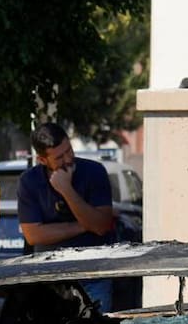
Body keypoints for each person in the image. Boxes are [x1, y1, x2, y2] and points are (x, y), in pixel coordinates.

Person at [17, 122, 117, 307]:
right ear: (42, 160)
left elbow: (102, 226)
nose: (68, 159)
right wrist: (85, 224)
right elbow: (34, 235)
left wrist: (66, 190)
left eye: (69, 151)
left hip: (93, 275)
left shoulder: (94, 172)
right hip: (50, 279)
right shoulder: (29, 181)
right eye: (59, 157)